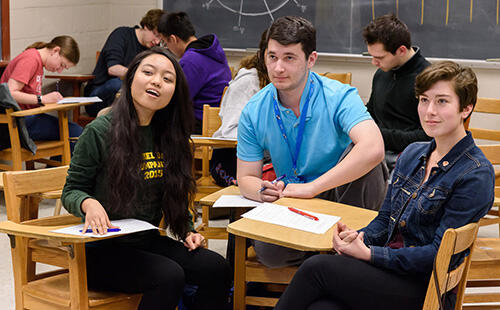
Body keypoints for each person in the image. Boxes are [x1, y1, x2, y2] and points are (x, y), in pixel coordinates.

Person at [274, 61, 495, 310]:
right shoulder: (413, 154)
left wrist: (369, 254)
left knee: (317, 268)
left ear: (466, 108)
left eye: (442, 101)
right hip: (390, 272)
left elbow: (438, 255)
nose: (429, 111)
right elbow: (385, 218)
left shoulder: (475, 174)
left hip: (425, 286)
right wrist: (359, 237)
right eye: (424, 100)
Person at [62, 47, 231, 310]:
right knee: (168, 275)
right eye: (148, 73)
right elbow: (72, 190)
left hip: (146, 241)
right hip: (100, 250)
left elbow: (174, 193)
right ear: (131, 79)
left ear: (174, 92)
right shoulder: (100, 131)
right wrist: (89, 204)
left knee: (215, 267)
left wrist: (187, 230)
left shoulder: (172, 136)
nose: (156, 82)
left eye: (167, 78)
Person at [237, 16, 387, 268]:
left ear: (311, 59)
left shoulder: (338, 95)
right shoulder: (254, 109)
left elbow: (374, 148)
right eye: (272, 57)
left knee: (366, 160)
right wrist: (263, 190)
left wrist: (313, 188)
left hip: (341, 193)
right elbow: (246, 178)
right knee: (268, 252)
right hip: (293, 199)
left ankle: (348, 246)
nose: (278, 68)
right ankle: (327, 256)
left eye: (289, 58)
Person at [363, 14, 431, 171]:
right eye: (371, 56)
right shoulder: (382, 73)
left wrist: (377, 135)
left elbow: (428, 136)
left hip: (409, 159)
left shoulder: (428, 80)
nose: (374, 63)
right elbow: (372, 112)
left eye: (379, 57)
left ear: (401, 50)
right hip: (377, 151)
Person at [210, 29, 270, 187]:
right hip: (230, 159)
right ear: (262, 56)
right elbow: (230, 132)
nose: (280, 66)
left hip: (265, 158)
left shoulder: (283, 85)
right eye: (273, 56)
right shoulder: (247, 82)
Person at [1, 35, 83, 146]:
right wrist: (42, 99)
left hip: (23, 119)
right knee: (75, 133)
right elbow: (9, 93)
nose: (59, 71)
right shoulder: (30, 59)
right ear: (55, 50)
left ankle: (56, 164)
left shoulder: (38, 62)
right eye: (62, 65)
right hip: (15, 123)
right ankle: (58, 164)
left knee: (71, 131)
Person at [158, 11, 232, 133]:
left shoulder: (191, 60)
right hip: (216, 121)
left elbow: (178, 98)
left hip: (198, 124)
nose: (167, 48)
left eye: (165, 43)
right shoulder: (212, 51)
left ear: (173, 39)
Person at [84, 9, 164, 117]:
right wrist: (140, 74)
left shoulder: (153, 49)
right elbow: (113, 68)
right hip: (99, 97)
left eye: (161, 38)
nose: (157, 41)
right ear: (146, 26)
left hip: (128, 97)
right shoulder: (122, 34)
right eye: (156, 35)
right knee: (117, 84)